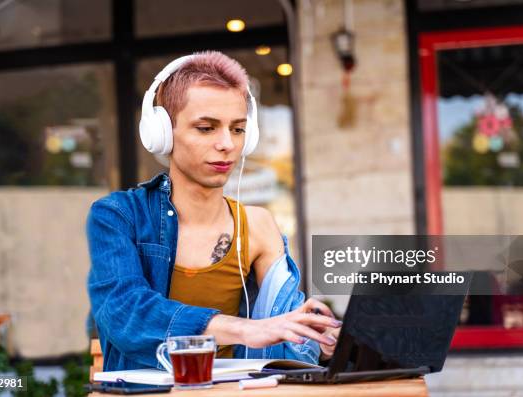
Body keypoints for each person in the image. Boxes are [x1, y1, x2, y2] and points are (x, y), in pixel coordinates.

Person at [86, 51, 340, 372]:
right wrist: (246, 329)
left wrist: (323, 340)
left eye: (237, 129)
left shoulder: (257, 224)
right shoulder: (118, 216)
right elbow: (125, 313)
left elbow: (287, 337)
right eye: (206, 128)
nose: (227, 144)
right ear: (162, 133)